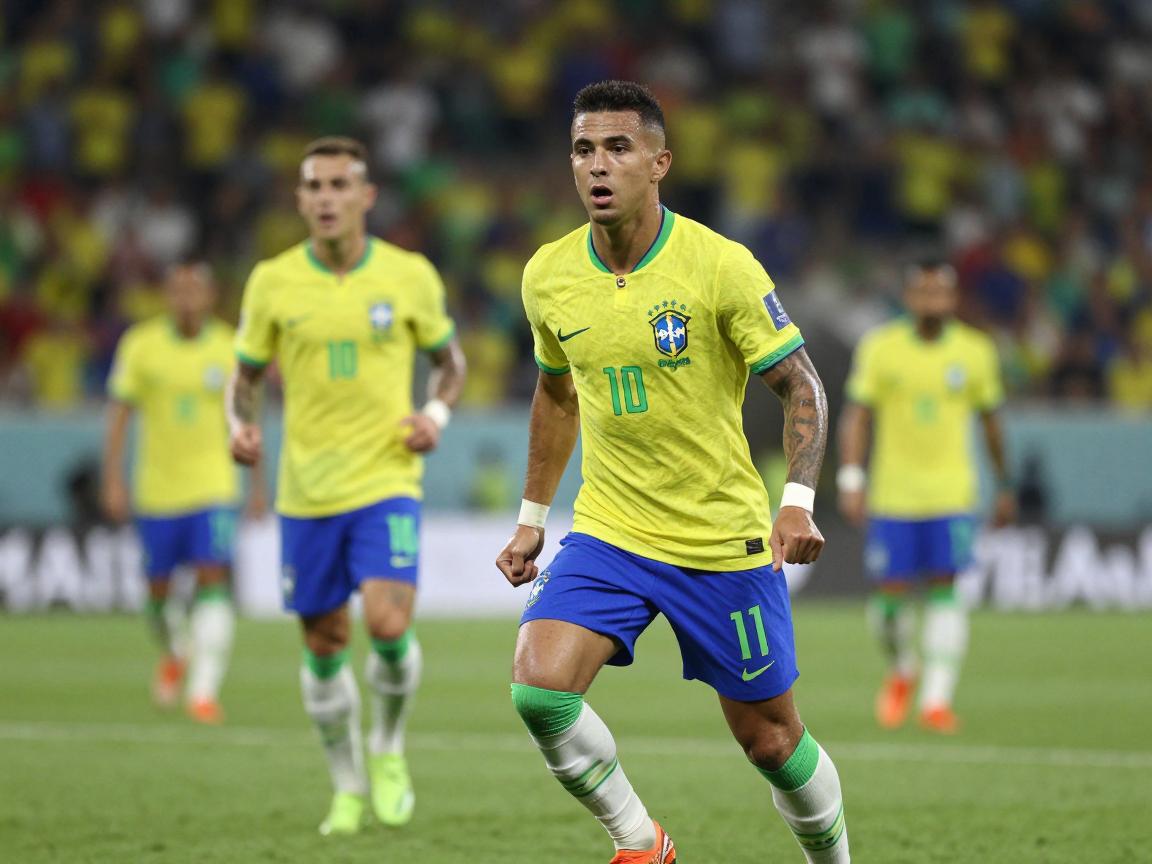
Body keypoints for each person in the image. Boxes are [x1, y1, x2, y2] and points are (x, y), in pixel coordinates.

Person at [496, 81, 850, 864]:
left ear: (659, 163)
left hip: (719, 539)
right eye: (584, 149)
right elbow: (556, 395)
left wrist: (796, 501)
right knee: (539, 689)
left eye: (618, 148)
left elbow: (802, 384)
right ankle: (641, 842)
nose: (598, 165)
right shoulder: (548, 275)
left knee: (771, 740)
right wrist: (531, 518)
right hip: (612, 531)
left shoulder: (719, 266)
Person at [228, 136, 465, 836]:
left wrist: (434, 415)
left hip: (387, 478)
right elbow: (244, 378)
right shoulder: (272, 281)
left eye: (339, 185)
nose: (326, 198)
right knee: (325, 642)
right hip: (306, 492)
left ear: (366, 196)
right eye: (314, 186)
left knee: (389, 625)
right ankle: (346, 784)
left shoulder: (408, 275)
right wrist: (239, 427)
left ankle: (387, 747)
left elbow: (450, 363)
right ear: (300, 199)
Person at [837, 260, 1015, 734]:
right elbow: (857, 416)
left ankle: (936, 699)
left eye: (940, 292)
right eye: (923, 291)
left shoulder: (976, 351)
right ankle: (903, 669)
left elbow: (992, 423)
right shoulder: (880, 347)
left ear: (953, 298)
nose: (932, 300)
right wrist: (851, 478)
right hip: (893, 496)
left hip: (952, 495)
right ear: (908, 296)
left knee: (945, 590)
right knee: (888, 602)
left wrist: (1004, 484)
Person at [103, 261, 264, 724]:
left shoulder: (231, 347)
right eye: (178, 291)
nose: (186, 299)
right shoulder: (141, 345)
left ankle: (203, 692)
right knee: (156, 597)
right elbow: (119, 415)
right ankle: (176, 650)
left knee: (213, 580)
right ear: (166, 296)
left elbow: (248, 419)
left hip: (214, 485)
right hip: (156, 489)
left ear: (210, 297)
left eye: (195, 291)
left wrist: (257, 485)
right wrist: (113, 477)